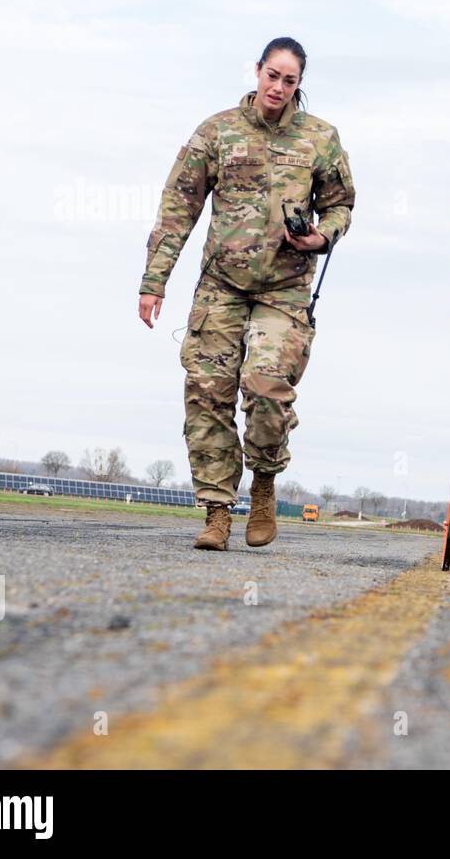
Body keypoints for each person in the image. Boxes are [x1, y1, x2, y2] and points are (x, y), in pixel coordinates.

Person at [137, 36, 355, 551]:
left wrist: (321, 236)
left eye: (290, 80)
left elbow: (342, 205)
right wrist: (154, 282)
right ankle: (216, 512)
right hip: (222, 287)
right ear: (257, 71)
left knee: (265, 388)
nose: (279, 86)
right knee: (207, 392)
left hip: (284, 289)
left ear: (300, 85)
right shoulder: (216, 133)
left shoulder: (320, 139)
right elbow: (178, 209)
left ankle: (262, 485)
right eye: (272, 75)